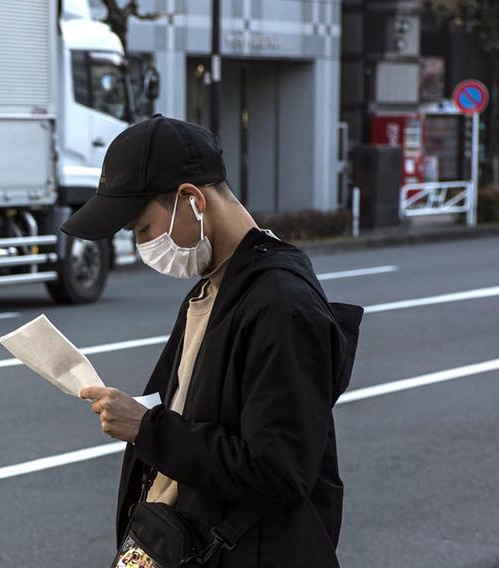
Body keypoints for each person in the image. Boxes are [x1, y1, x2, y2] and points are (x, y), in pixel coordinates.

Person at [64, 114, 362, 566]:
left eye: (143, 229)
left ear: (191, 200)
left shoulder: (281, 304)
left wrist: (148, 429)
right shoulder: (215, 286)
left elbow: (279, 472)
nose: (144, 246)